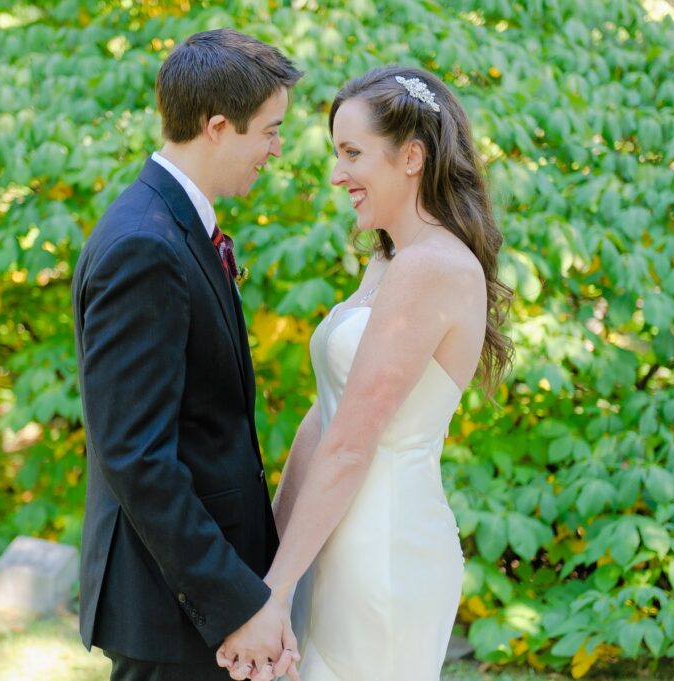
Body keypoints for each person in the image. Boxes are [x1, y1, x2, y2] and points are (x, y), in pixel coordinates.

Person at [218, 66, 514, 680]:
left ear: (412, 156)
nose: (336, 174)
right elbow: (325, 416)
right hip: (333, 538)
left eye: (352, 153)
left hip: (383, 551)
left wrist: (272, 590)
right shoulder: (389, 260)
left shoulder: (430, 266)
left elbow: (353, 443)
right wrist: (271, 554)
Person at [72, 29, 303, 681]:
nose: (275, 149)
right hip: (170, 607)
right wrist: (235, 602)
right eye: (269, 130)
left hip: (190, 596)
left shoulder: (171, 223)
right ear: (219, 126)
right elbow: (137, 456)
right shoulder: (144, 245)